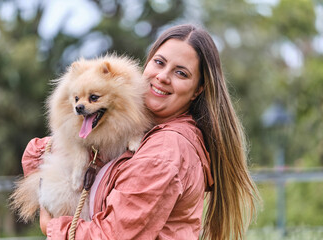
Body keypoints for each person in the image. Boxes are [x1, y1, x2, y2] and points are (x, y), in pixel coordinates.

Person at [21, 24, 260, 240]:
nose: (163, 77)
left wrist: (50, 225)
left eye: (181, 73)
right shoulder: (137, 130)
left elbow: (112, 236)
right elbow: (43, 152)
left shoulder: (165, 151)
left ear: (197, 90)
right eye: (159, 62)